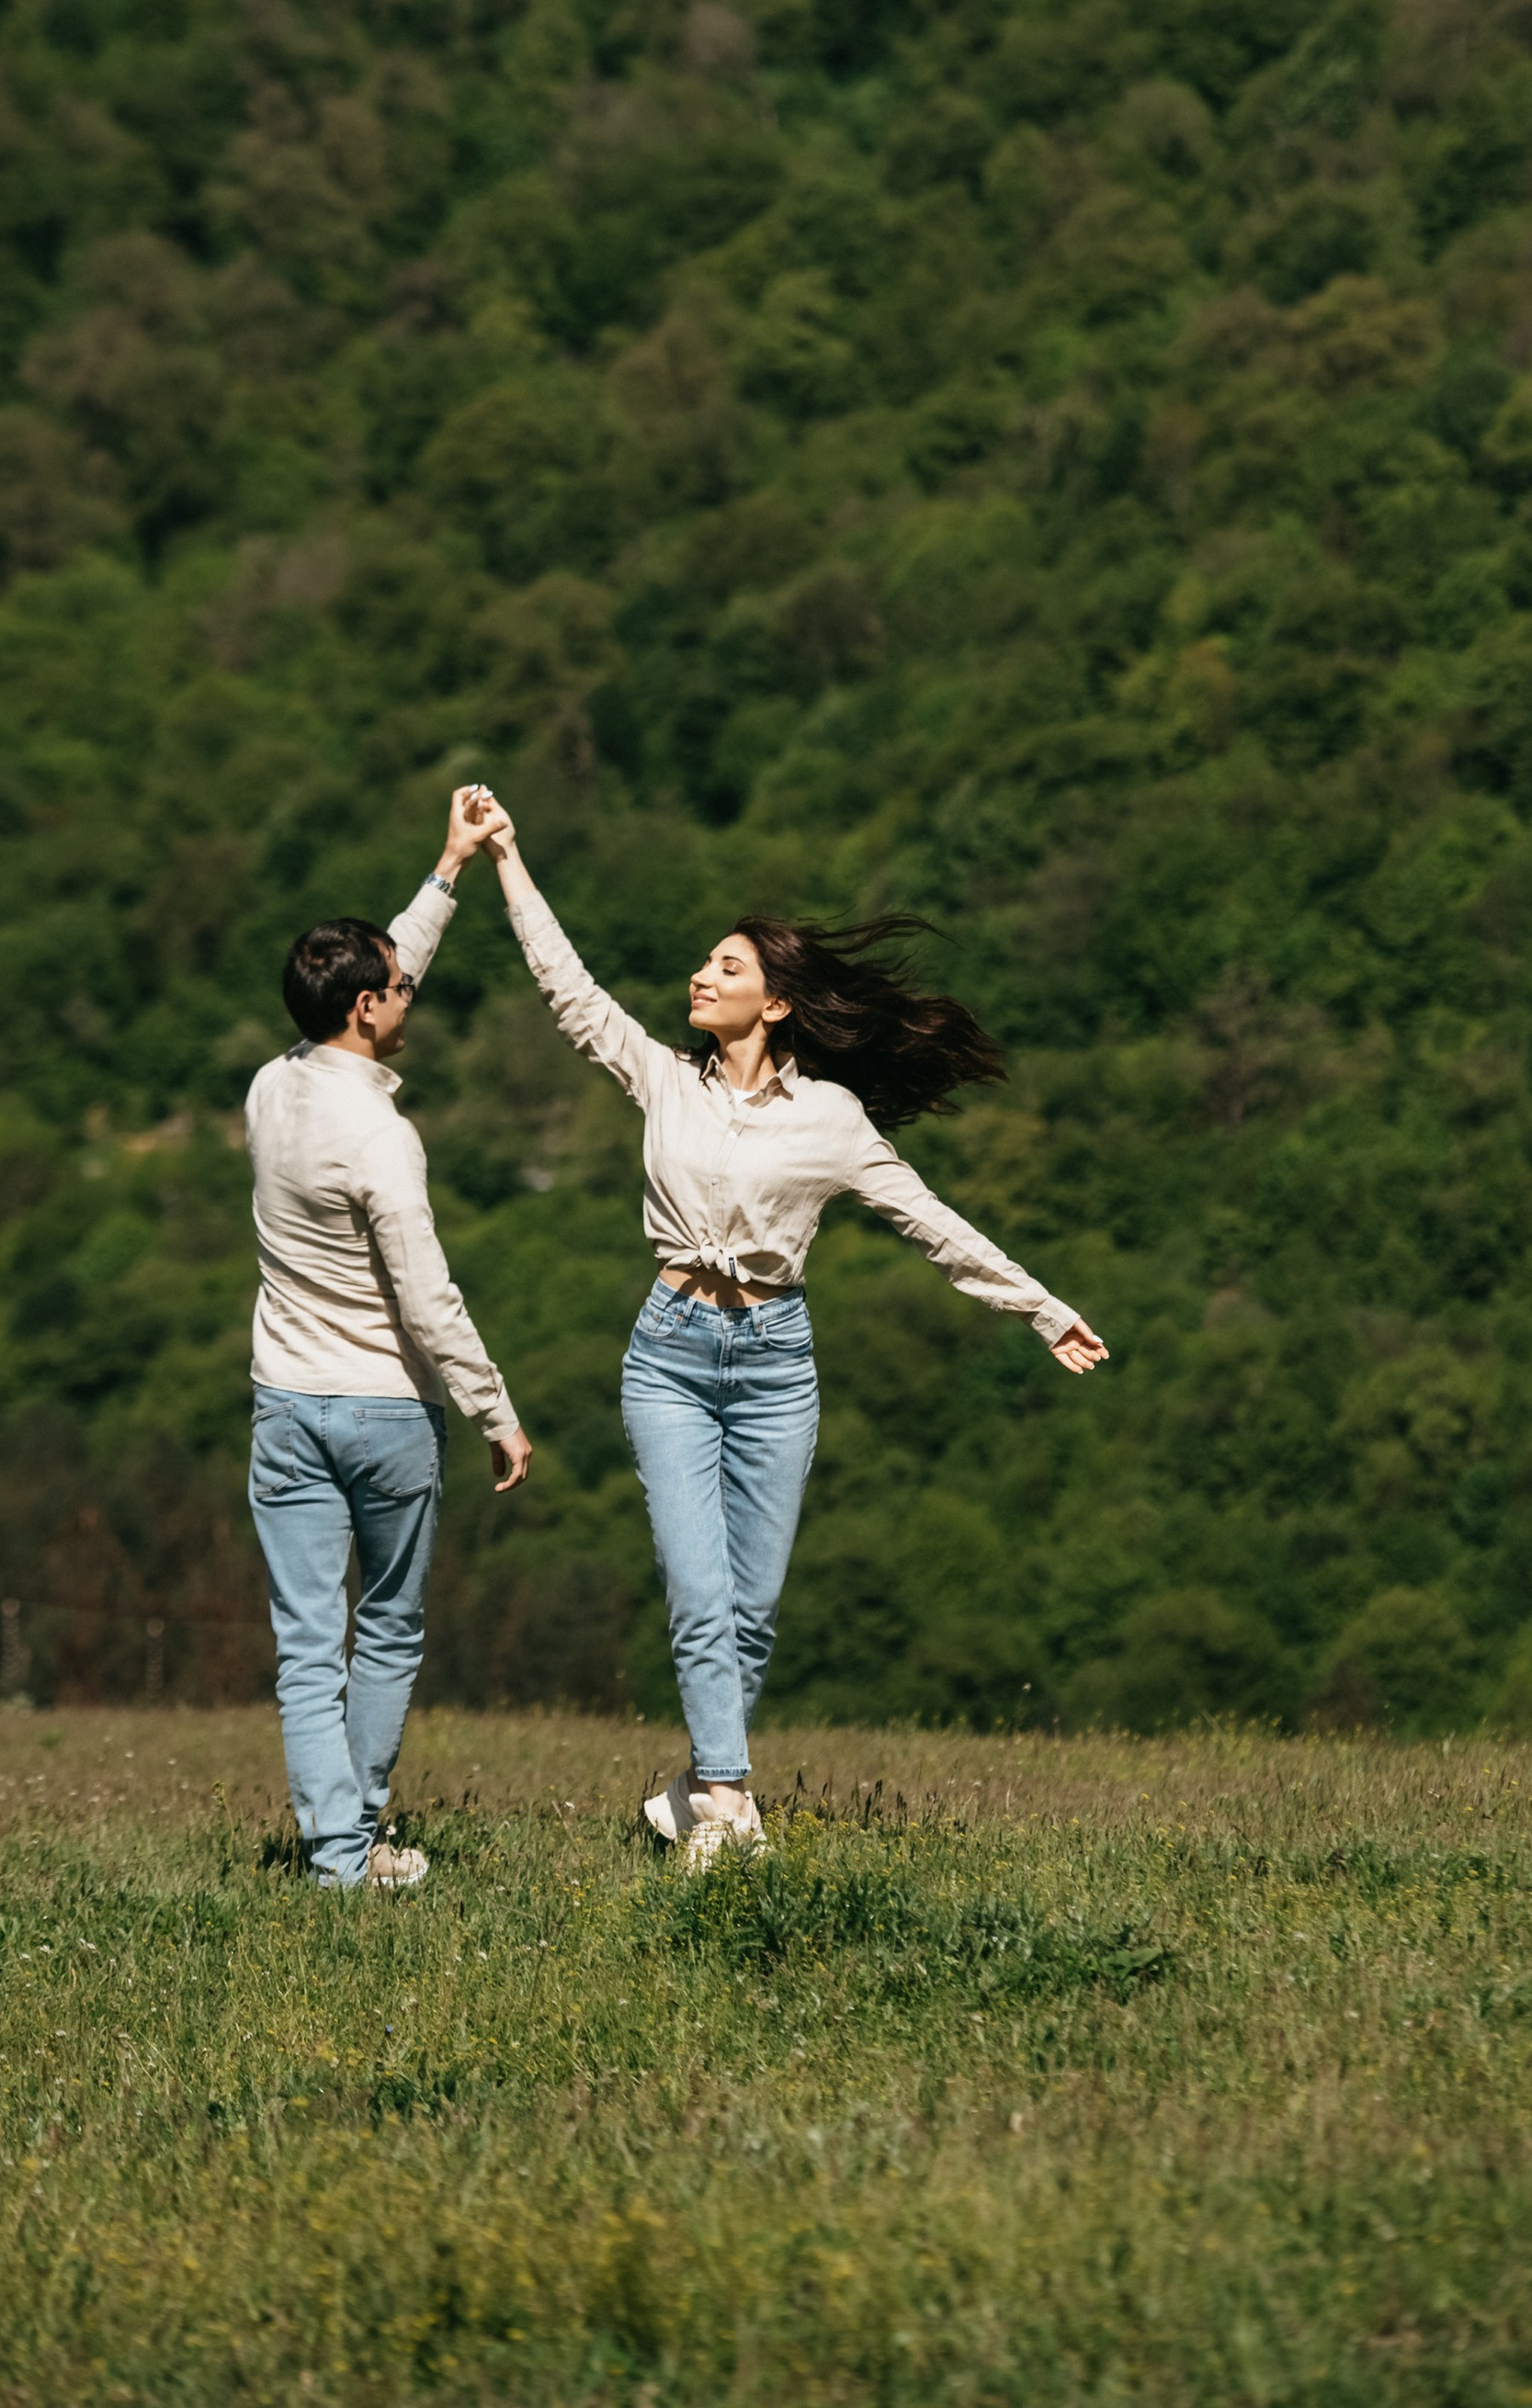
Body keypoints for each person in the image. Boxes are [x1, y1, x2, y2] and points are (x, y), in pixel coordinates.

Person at [471, 799, 1104, 1871]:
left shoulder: (833, 1122)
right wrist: (509, 858)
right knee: (699, 1592)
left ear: (775, 1003)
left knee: (751, 1612)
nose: (700, 978)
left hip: (774, 1367)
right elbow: (567, 990)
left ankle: (688, 1790)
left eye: (725, 967)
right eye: (703, 965)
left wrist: (1037, 1306)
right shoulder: (663, 1078)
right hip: (669, 1354)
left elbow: (927, 1220)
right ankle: (726, 1808)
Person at [245, 786, 533, 1891]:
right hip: (383, 1412)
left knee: (307, 1646)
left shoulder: (271, 1091)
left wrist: (446, 870)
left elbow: (371, 975)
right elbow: (427, 1298)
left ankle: (336, 1858)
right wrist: (495, 1412)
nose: (408, 994)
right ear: (369, 1008)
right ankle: (350, 1850)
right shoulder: (383, 1139)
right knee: (390, 1632)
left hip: (284, 1402)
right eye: (396, 990)